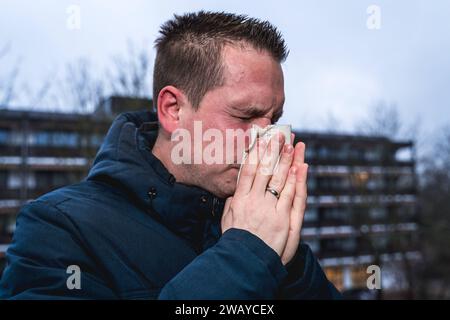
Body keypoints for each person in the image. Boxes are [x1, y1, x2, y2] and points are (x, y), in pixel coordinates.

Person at [0, 11, 341, 299]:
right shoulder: (59, 227)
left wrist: (290, 262)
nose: (268, 140)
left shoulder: (262, 223)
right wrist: (244, 255)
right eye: (244, 116)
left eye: (274, 120)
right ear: (173, 110)